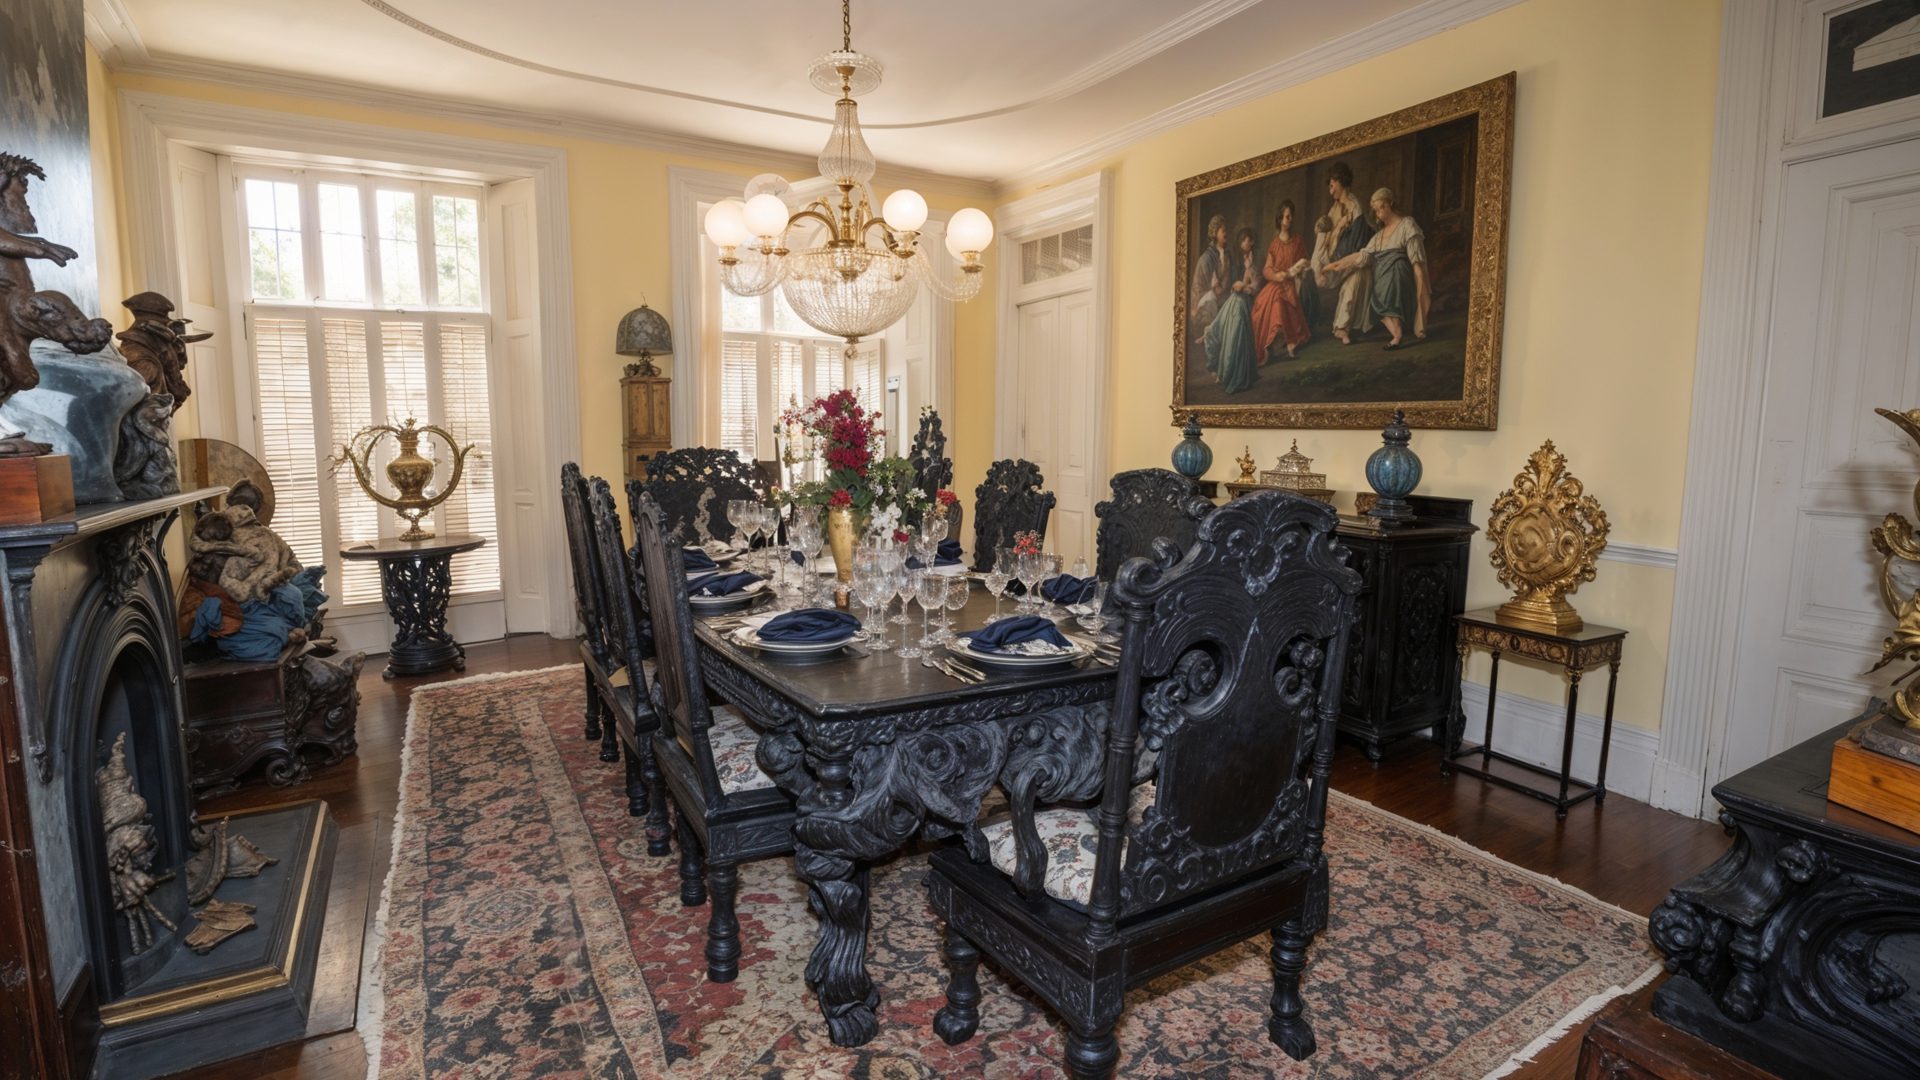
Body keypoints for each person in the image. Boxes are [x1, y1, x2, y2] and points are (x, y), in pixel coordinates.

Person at [1326, 187, 1429, 350]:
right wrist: (1337, 265)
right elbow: (1362, 256)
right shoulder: (1378, 236)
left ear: (1391, 204)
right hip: (1382, 276)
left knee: (1389, 288)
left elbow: (1416, 259)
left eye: (1382, 207)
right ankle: (1397, 332)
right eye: (1376, 209)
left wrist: (1420, 280)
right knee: (1375, 303)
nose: (1379, 212)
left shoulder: (1406, 224)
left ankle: (1397, 336)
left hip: (1398, 272)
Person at [1202, 228, 1262, 393]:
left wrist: (1245, 286)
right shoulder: (1237, 262)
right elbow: (1232, 284)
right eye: (1242, 240)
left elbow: (1256, 286)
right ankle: (1223, 368)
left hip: (1248, 300)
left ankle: (1230, 372)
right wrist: (1237, 286)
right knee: (1230, 313)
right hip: (1236, 298)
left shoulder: (1255, 262)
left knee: (1235, 312)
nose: (1245, 243)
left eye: (1247, 240)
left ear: (1252, 242)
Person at [1251, 201, 1312, 360]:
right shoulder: (1274, 244)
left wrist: (1296, 271)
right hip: (1277, 283)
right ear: (1279, 219)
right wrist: (1276, 276)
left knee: (1281, 298)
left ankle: (1290, 344)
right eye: (1286, 216)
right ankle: (1269, 346)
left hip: (1292, 283)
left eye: (1291, 216)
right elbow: (1267, 269)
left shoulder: (1298, 240)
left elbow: (1305, 262)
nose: (1289, 219)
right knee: (1265, 303)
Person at [1323, 161, 1376, 344]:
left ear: (1339, 181)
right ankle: (1342, 328)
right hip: (1343, 256)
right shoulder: (1337, 209)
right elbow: (1329, 240)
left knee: (1353, 284)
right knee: (1346, 283)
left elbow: (1357, 243)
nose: (1331, 191)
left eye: (1332, 185)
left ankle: (1342, 328)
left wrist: (1341, 262)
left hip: (1357, 257)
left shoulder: (1355, 207)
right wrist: (1338, 229)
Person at [1188, 215, 1231, 347]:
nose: (1226, 233)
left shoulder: (1226, 256)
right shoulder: (1206, 258)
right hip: (1202, 304)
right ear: (1215, 232)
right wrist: (1217, 287)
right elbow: (1210, 289)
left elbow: (1225, 283)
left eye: (1225, 230)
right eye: (1222, 230)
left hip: (1219, 295)